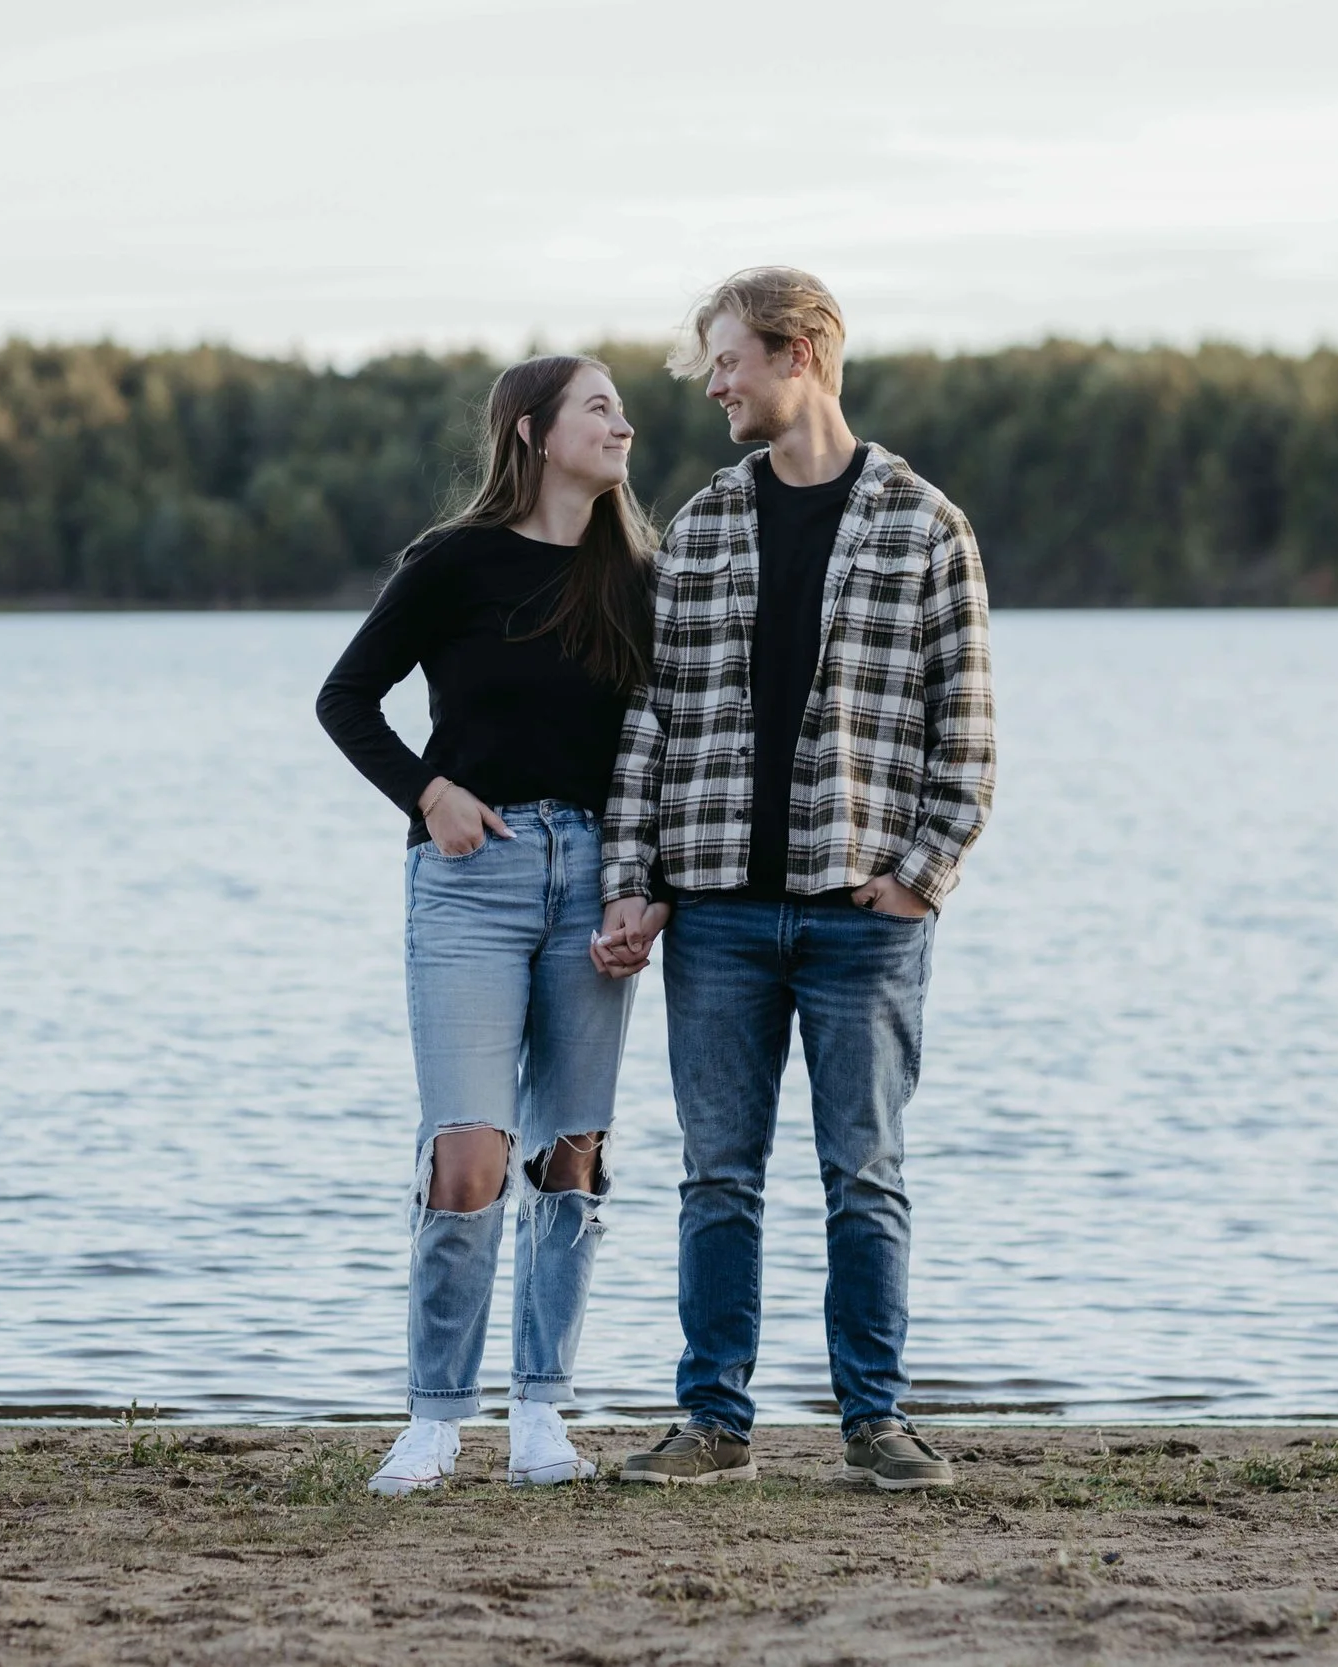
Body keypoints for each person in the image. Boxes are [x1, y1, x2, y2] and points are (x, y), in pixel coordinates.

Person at [593, 268, 996, 1491]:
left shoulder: (926, 524)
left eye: (727, 359)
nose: (713, 382)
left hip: (861, 917)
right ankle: (713, 1422)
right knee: (718, 1175)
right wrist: (636, 878)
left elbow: (964, 733)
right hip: (715, 913)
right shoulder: (705, 522)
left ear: (800, 351)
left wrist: (922, 876)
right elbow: (649, 722)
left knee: (862, 1173)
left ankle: (875, 1419)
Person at [317, 354, 664, 1494]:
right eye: (599, 407)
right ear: (531, 432)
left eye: (620, 407)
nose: (624, 423)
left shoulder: (638, 575)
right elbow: (344, 697)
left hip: (596, 881)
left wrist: (641, 882)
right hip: (472, 879)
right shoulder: (452, 563)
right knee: (470, 1152)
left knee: (572, 1148)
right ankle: (433, 1415)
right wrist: (429, 793)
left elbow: (657, 751)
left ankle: (538, 1411)